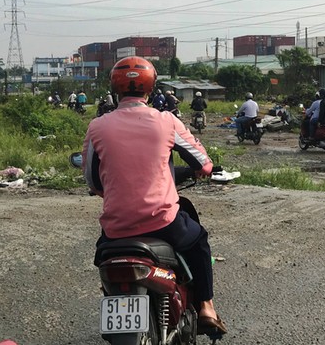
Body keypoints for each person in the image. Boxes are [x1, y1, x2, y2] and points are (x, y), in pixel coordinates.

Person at [82, 56, 227, 336]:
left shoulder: (97, 126)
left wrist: (105, 191)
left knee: (103, 257)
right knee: (198, 240)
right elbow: (202, 161)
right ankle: (207, 307)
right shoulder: (166, 121)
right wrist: (203, 170)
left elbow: (91, 178)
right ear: (151, 88)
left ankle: (115, 298)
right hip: (163, 221)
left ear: (116, 88)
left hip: (115, 227)